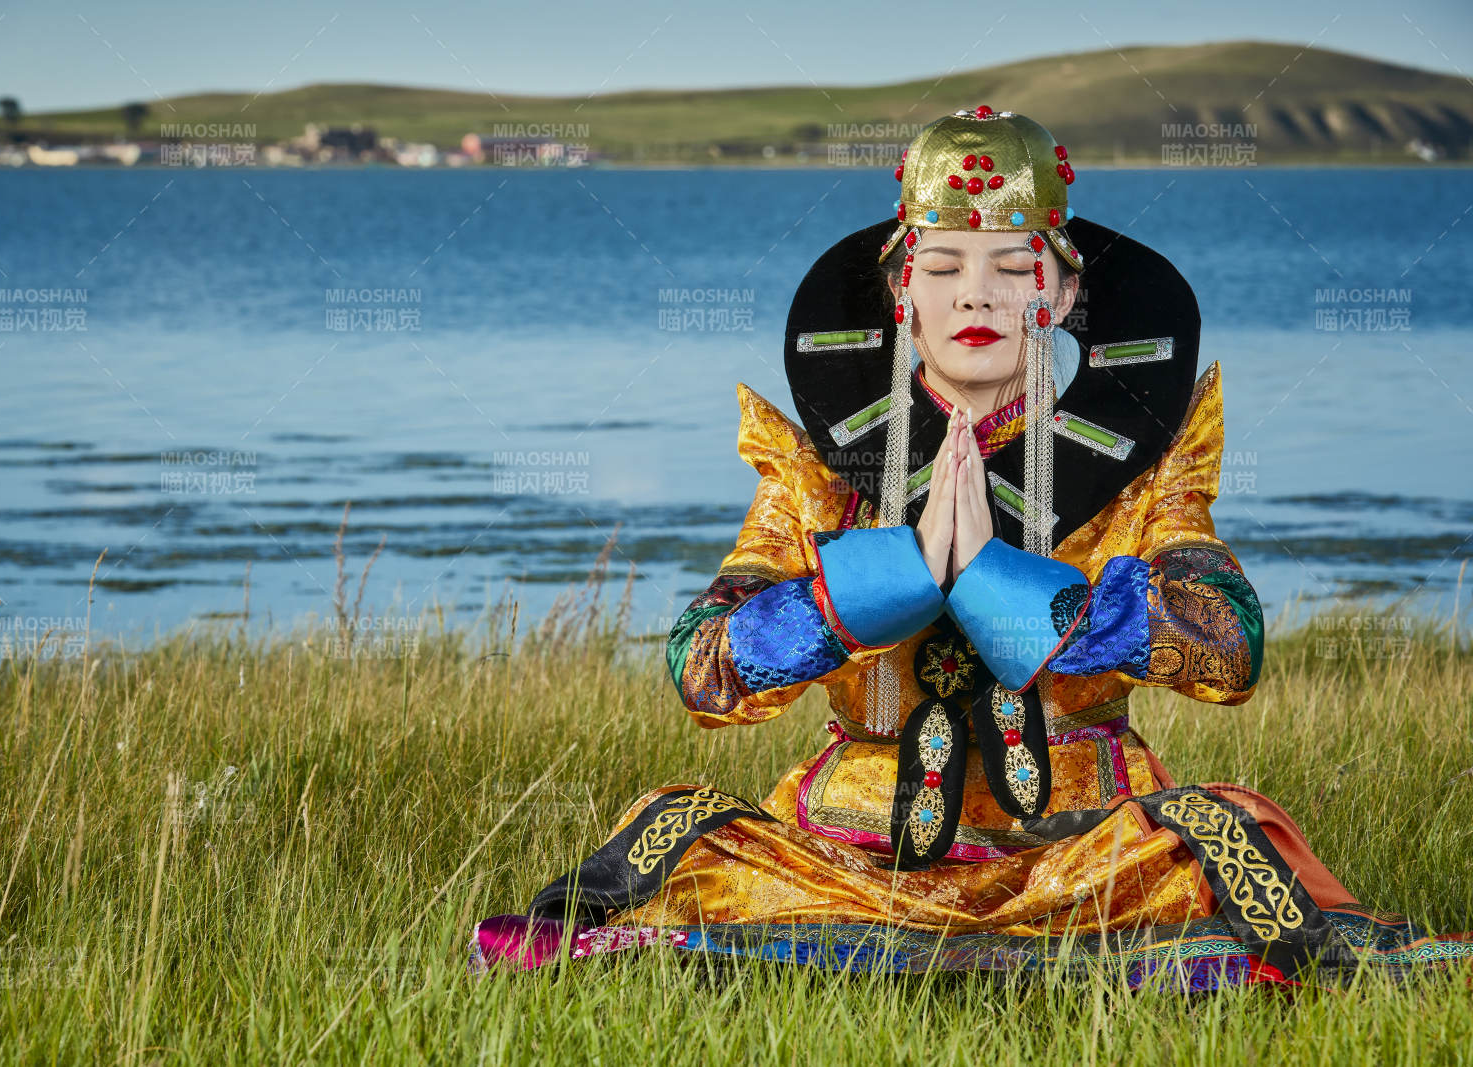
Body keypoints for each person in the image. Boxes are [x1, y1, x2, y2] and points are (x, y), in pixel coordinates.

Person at [469, 106, 1473, 989]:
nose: (976, 297)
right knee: (683, 835)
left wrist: (1015, 592)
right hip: (845, 845)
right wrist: (878, 583)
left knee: (1221, 831)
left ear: (1064, 291)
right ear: (900, 293)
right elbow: (704, 665)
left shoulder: (1143, 462)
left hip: (1081, 843)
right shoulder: (820, 468)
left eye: (1013, 266)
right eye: (943, 268)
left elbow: (1228, 645)